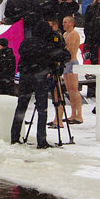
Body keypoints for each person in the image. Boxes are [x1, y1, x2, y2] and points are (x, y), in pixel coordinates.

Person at [10, 18, 67, 149]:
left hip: (25, 77)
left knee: (21, 107)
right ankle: (41, 140)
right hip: (39, 78)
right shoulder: (46, 45)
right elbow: (62, 56)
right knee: (42, 110)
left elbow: (21, 52)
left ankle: (14, 136)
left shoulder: (26, 42)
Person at [59, 15, 83, 125]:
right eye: (63, 22)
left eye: (65, 22)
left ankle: (79, 115)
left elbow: (70, 50)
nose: (63, 24)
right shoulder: (65, 34)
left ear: (71, 23)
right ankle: (73, 113)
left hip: (71, 62)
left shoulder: (74, 34)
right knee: (69, 89)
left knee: (74, 89)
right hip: (66, 63)